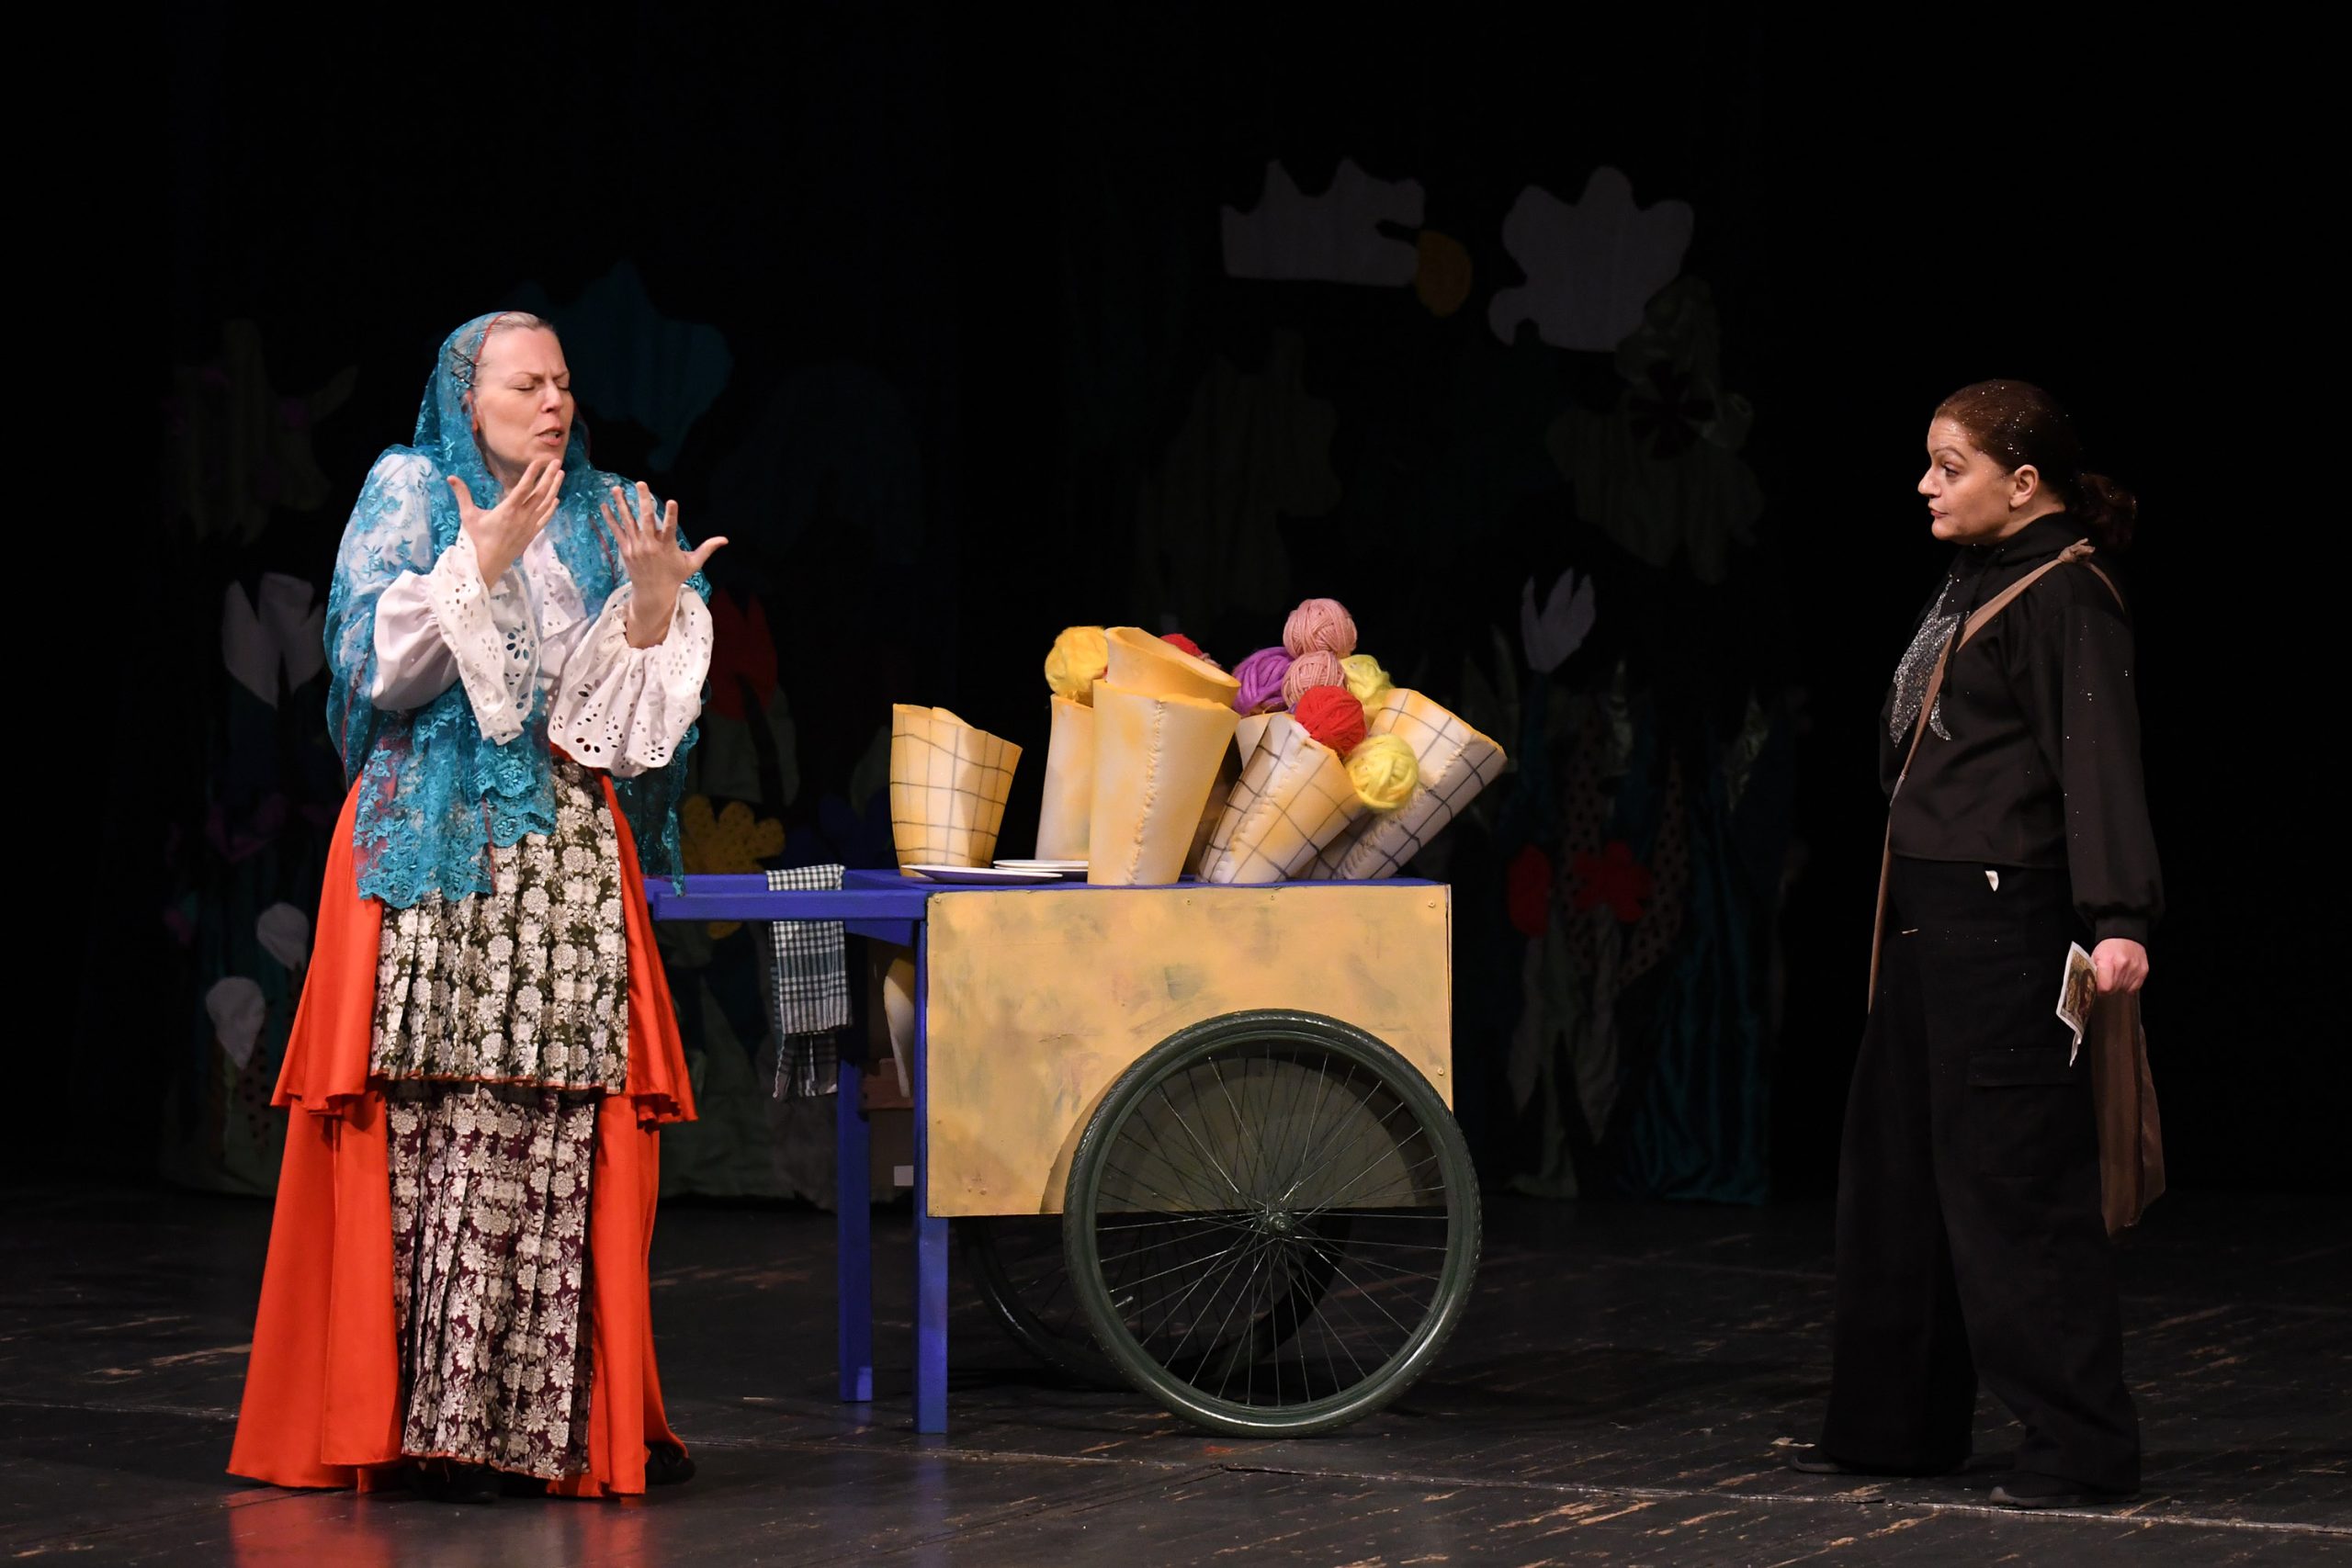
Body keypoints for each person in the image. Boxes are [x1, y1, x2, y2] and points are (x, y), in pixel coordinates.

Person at [229, 311, 722, 1501]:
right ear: (468, 395)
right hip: (433, 848)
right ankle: (417, 1422)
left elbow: (616, 731)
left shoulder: (605, 512)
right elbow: (372, 668)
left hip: (563, 859)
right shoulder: (413, 489)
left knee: (551, 1125)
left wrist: (651, 613)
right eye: (525, 384)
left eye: (563, 383)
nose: (553, 403)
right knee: (427, 1117)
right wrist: (478, 564)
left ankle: (537, 1428)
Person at [1793, 379, 2160, 1508]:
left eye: (1949, 466)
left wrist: (2117, 919)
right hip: (1928, 916)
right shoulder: (1979, 574)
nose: (1925, 485)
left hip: (2005, 925)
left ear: (2023, 481)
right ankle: (1894, 1428)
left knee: (2015, 1189)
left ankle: (2079, 1448)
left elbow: (2098, 756)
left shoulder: (2066, 593)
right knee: (1896, 1179)